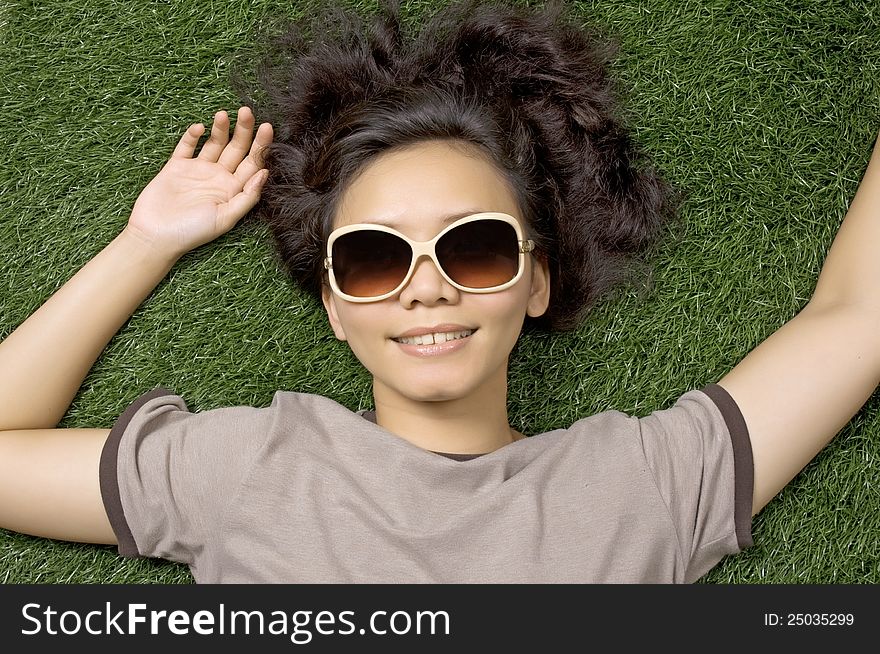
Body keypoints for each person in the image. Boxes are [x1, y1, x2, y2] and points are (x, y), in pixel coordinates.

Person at [0, 0, 877, 583]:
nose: (427, 288)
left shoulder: (644, 484)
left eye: (476, 247)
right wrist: (143, 245)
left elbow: (858, 319)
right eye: (378, 258)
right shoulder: (244, 470)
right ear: (338, 307)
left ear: (535, 281)